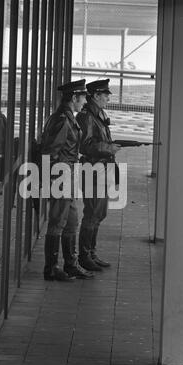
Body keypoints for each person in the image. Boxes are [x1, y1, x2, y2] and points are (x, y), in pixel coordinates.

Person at [41, 79, 94, 282]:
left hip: (67, 175)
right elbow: (51, 152)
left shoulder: (67, 117)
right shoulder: (62, 120)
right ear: (74, 98)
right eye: (82, 98)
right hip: (61, 176)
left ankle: (71, 265)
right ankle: (51, 268)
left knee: (71, 221)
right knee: (57, 222)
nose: (84, 102)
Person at [76, 79, 121, 272]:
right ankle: (84, 256)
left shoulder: (97, 115)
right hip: (92, 171)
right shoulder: (86, 117)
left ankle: (91, 252)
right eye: (105, 95)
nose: (108, 99)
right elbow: (84, 146)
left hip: (101, 170)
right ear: (95, 96)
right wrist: (108, 148)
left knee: (99, 213)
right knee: (92, 213)